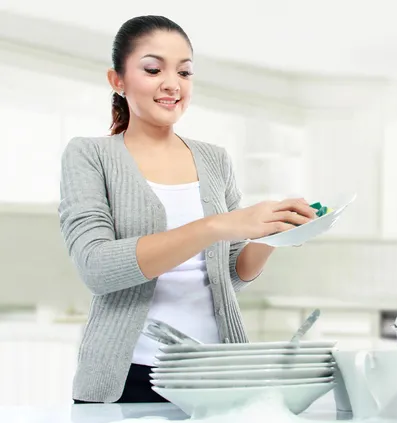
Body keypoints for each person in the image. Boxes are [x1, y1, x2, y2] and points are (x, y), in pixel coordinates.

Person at [58, 15, 316, 404]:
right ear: (118, 80)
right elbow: (97, 268)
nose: (172, 83)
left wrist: (273, 235)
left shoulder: (214, 160)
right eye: (152, 68)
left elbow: (231, 275)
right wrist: (215, 225)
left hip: (216, 372)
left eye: (184, 71)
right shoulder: (89, 155)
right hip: (127, 378)